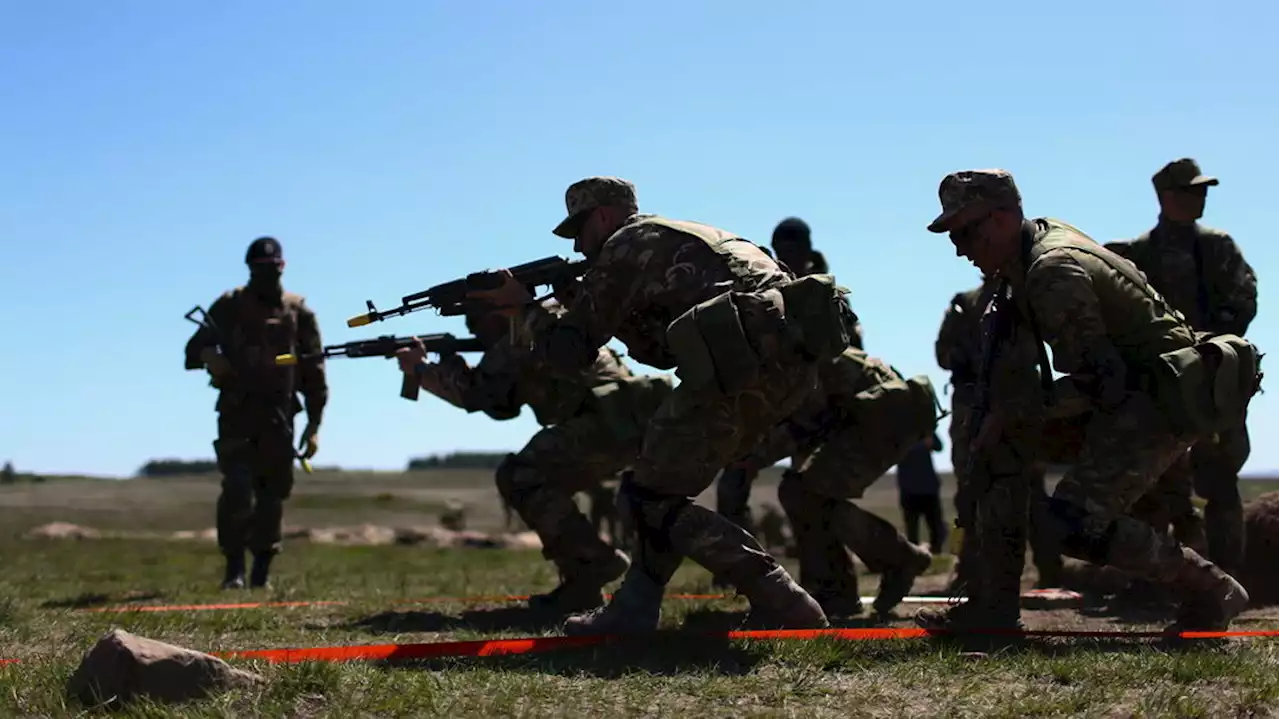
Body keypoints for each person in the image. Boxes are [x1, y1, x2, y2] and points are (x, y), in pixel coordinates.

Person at [467, 176, 857, 634]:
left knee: (647, 495)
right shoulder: (673, 234)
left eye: (579, 230)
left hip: (737, 362)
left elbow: (568, 354)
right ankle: (634, 607)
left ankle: (779, 597)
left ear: (605, 216)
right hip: (779, 365)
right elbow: (660, 343)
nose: (578, 246)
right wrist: (581, 299)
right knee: (659, 486)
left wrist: (524, 309)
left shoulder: (626, 245)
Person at [915, 168, 1255, 634]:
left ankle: (1211, 588)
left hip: (1159, 404)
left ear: (1002, 218)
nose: (959, 248)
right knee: (1001, 448)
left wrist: (1014, 413)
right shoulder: (1027, 253)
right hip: (1136, 395)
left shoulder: (1052, 270)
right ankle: (992, 610)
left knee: (1072, 523)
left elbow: (1103, 382)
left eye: (966, 231)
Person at [395, 299, 672, 613]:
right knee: (539, 479)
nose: (475, 333)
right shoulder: (543, 318)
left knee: (522, 476)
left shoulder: (523, 329)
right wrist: (451, 368)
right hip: (622, 419)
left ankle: (592, 563)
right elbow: (503, 405)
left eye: (475, 324)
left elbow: (477, 395)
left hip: (606, 419)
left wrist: (419, 369)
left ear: (497, 311)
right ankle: (582, 581)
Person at [1104, 157, 1258, 578]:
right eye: (1191, 190)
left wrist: (1206, 349)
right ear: (1166, 197)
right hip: (1159, 385)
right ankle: (1152, 579)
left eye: (1203, 190)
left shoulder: (1217, 246)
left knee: (1220, 478)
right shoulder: (1135, 255)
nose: (1201, 197)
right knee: (1149, 482)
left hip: (1213, 379)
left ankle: (1228, 578)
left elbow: (1244, 301)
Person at [729, 346, 939, 619]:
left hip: (878, 416)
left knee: (804, 494)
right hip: (880, 413)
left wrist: (746, 459)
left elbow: (799, 426)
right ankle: (842, 591)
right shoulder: (783, 354)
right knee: (805, 494)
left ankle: (893, 561)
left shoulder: (783, 364)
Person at [183, 237, 326, 590]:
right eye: (259, 269)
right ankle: (234, 570)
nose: (266, 274)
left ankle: (261, 571)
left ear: (283, 267)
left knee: (272, 492)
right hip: (236, 411)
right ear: (250, 269)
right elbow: (192, 349)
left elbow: (314, 371)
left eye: (272, 267)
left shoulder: (298, 312)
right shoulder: (230, 305)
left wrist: (314, 425)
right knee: (236, 487)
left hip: (279, 415)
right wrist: (209, 357)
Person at [935, 278, 1063, 591]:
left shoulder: (1004, 299)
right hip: (986, 405)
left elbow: (943, 355)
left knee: (990, 491)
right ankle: (971, 568)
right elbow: (944, 355)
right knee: (987, 493)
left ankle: (974, 571)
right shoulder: (969, 302)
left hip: (1006, 404)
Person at [896, 433, 948, 554]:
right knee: (912, 530)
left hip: (927, 487)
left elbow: (939, 446)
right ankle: (914, 558)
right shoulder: (897, 431)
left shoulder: (925, 428)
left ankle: (936, 555)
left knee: (936, 527)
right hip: (909, 488)